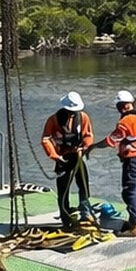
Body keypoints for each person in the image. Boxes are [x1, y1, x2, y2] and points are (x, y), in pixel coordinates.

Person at [91, 90, 136, 237]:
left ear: (120, 106)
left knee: (130, 193)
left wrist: (93, 146)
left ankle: (135, 226)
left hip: (133, 161)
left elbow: (110, 140)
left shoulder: (126, 121)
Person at [41, 91, 95, 228]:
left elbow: (88, 135)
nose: (72, 114)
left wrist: (85, 147)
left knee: (83, 184)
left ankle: (85, 211)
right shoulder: (53, 120)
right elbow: (46, 139)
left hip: (77, 156)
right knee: (63, 189)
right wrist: (54, 156)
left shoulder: (83, 117)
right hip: (62, 158)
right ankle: (65, 216)